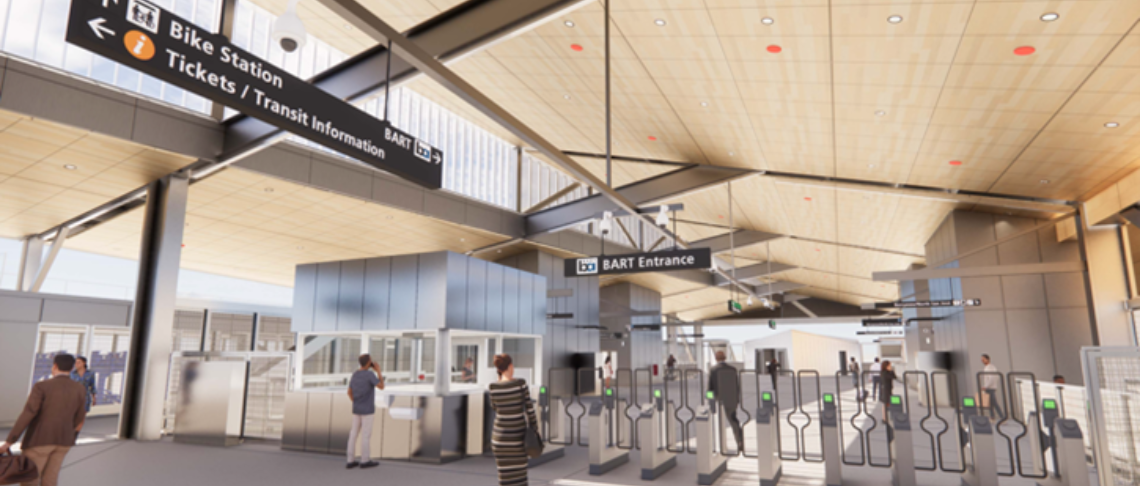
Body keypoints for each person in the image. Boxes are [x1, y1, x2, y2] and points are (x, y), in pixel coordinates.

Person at [0, 354, 87, 486]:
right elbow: (80, 416)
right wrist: (71, 435)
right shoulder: (80, 388)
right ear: (72, 367)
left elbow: (28, 414)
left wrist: (10, 441)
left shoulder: (42, 386)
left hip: (39, 441)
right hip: (64, 442)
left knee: (31, 479)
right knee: (51, 479)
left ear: (55, 366)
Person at [488, 354, 539, 486]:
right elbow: (530, 409)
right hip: (517, 438)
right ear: (510, 366)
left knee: (504, 476)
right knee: (520, 477)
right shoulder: (520, 384)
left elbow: (494, 407)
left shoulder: (493, 387)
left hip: (499, 438)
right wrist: (535, 429)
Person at [346, 354, 384, 469]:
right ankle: (364, 460)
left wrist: (356, 402)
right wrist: (379, 371)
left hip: (356, 409)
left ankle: (350, 460)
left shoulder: (355, 374)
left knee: (353, 434)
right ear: (368, 363)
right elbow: (381, 386)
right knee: (365, 435)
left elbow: (349, 392)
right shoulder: (370, 374)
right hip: (367, 410)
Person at [708, 351, 744, 454]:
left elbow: (710, 388)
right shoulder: (733, 369)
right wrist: (737, 399)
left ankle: (719, 445)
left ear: (716, 358)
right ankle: (740, 441)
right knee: (733, 421)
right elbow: (737, 386)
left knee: (717, 422)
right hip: (731, 399)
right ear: (725, 357)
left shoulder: (713, 370)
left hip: (719, 400)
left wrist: (710, 400)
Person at [980, 354, 1004, 419]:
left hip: (990, 388)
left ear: (987, 359)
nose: (982, 361)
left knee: (994, 403)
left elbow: (991, 378)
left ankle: (1002, 417)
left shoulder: (989, 368)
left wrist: (986, 386)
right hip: (991, 387)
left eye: (983, 359)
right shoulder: (991, 367)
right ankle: (992, 417)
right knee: (990, 404)